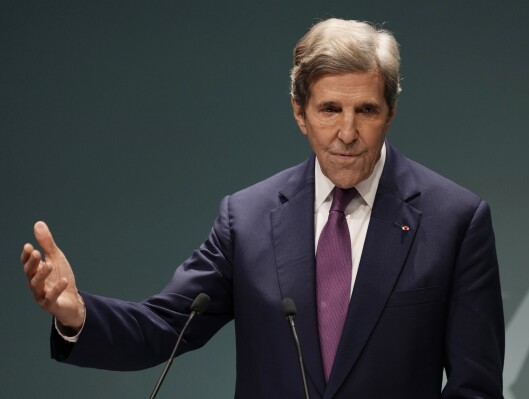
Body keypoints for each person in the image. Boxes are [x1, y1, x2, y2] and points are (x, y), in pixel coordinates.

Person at [20, 18, 504, 398]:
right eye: (330, 109)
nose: (348, 132)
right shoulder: (247, 220)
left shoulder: (454, 221)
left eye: (367, 111)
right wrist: (77, 314)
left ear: (391, 113)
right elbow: (166, 326)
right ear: (300, 114)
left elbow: (475, 388)